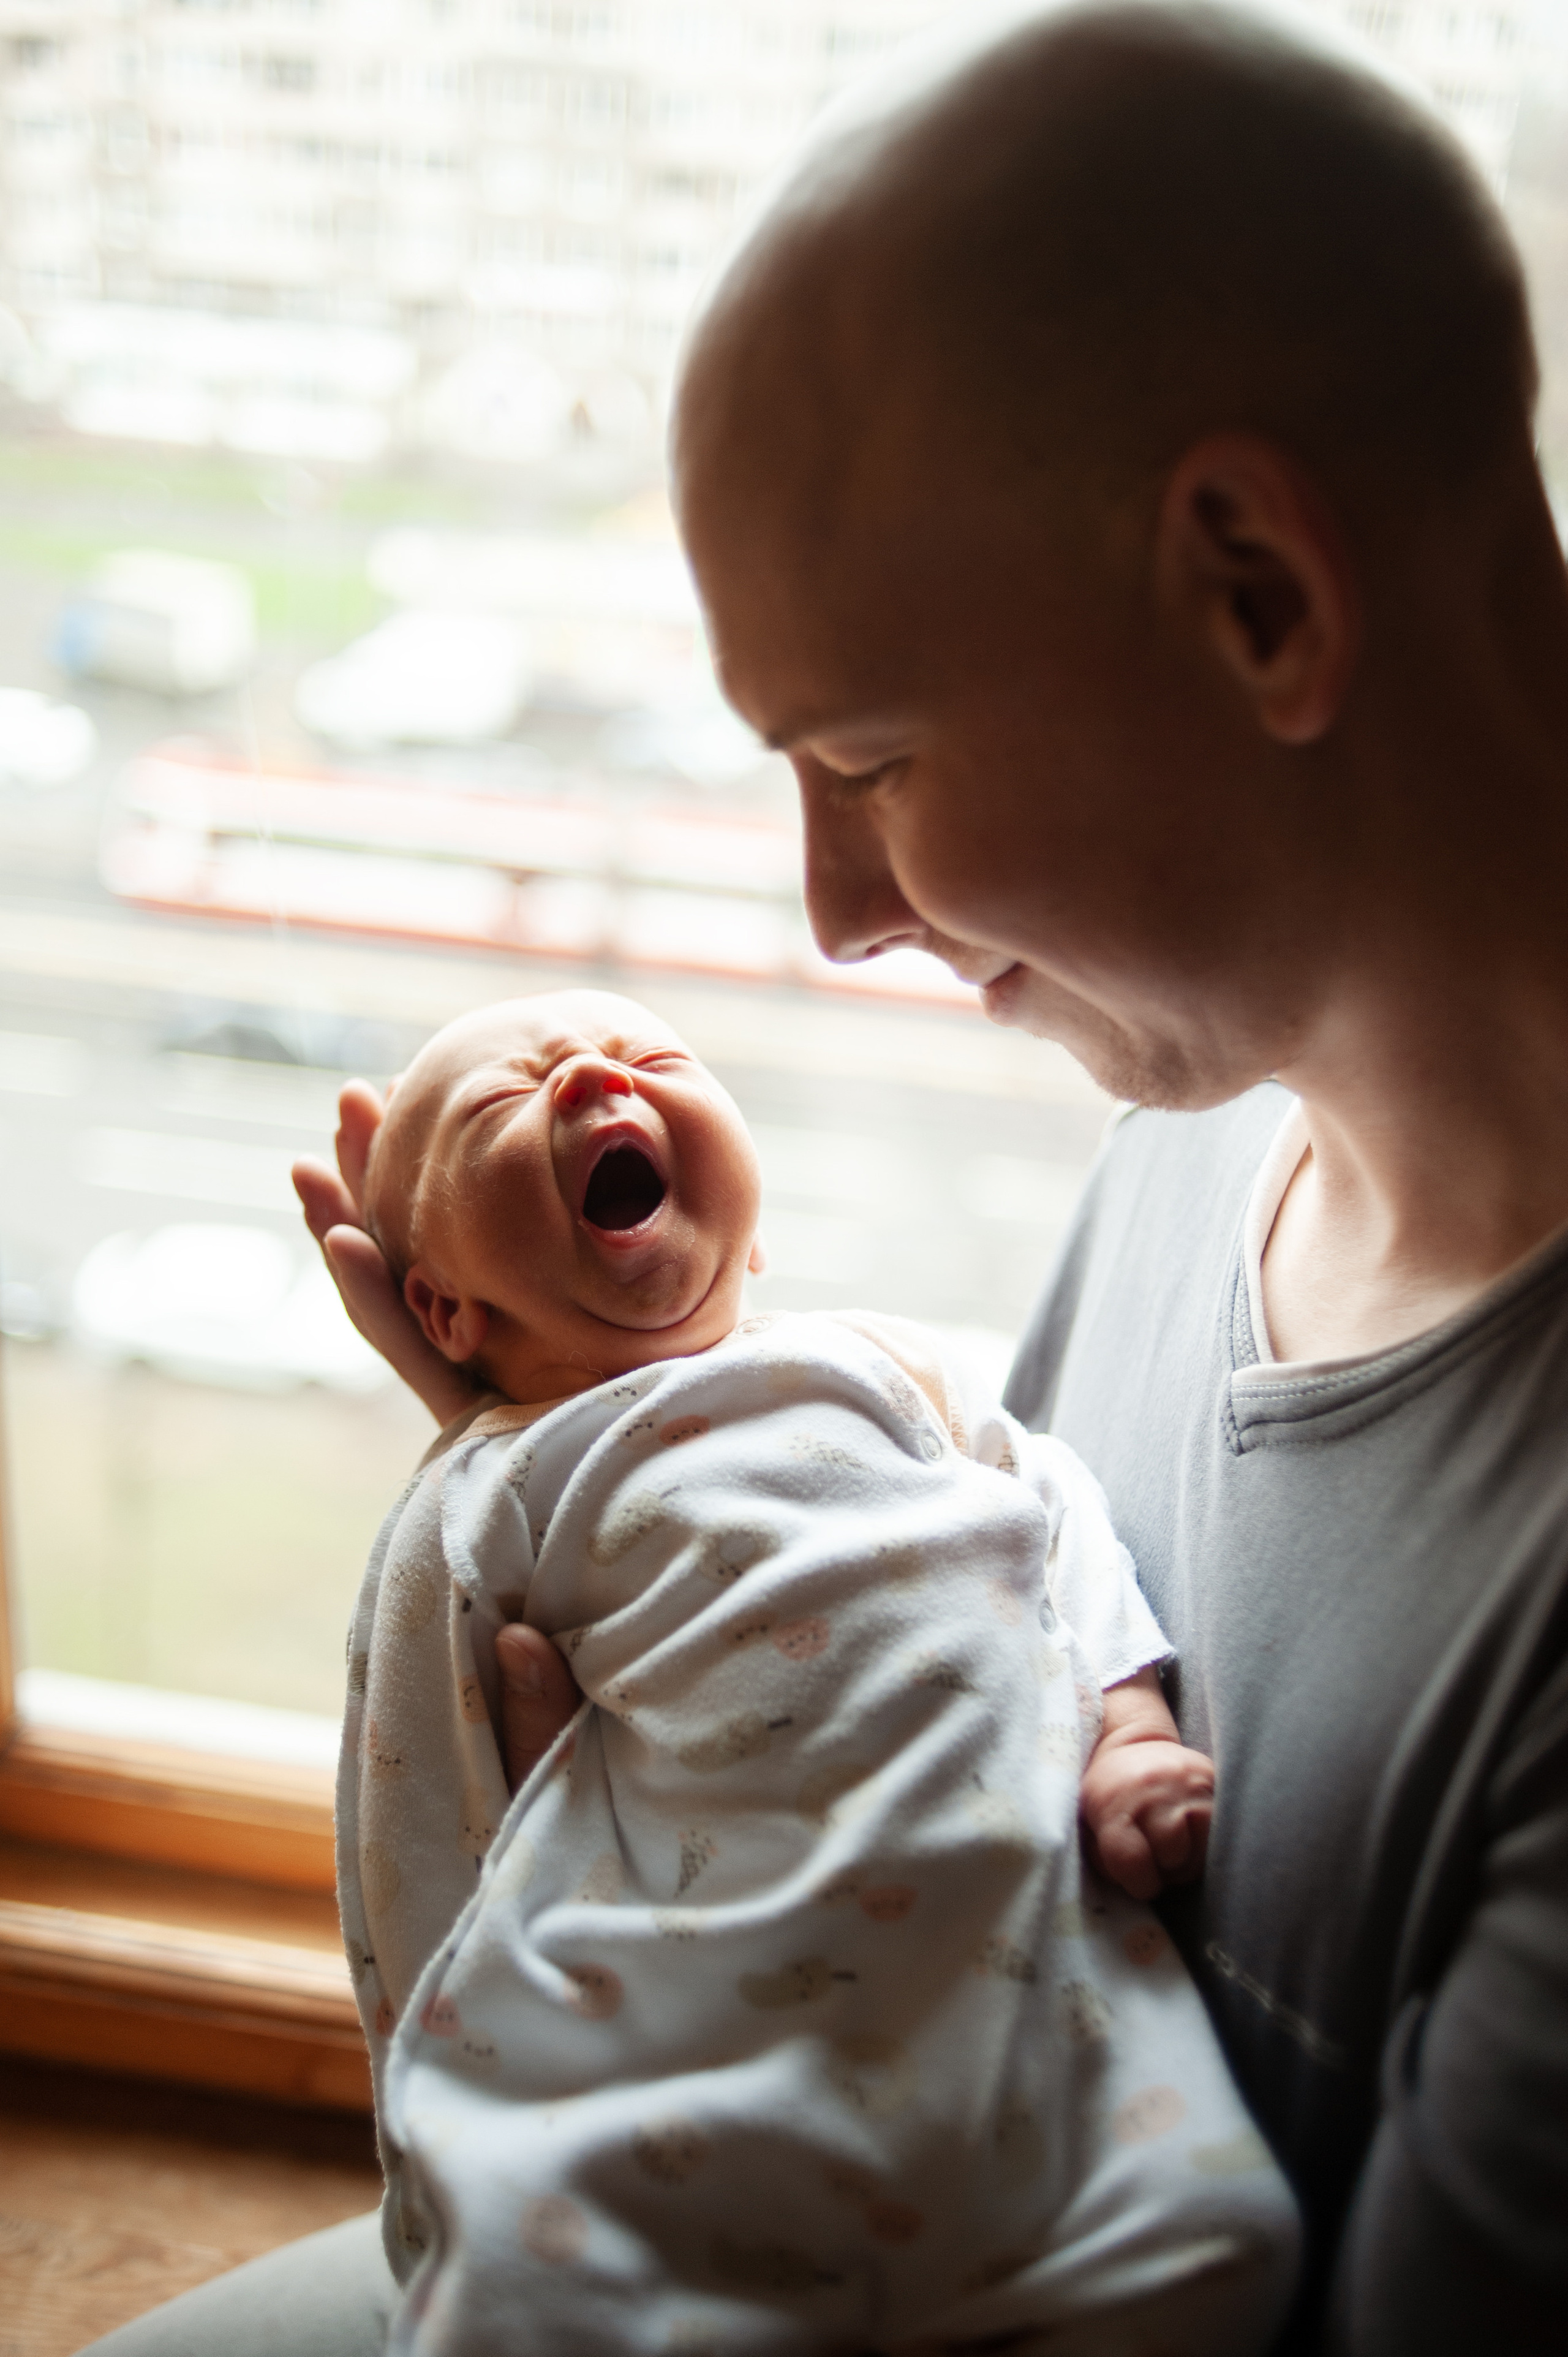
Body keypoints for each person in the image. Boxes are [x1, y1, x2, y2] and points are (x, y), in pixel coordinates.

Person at [94, 0, 1568, 2349]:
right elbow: (965, 1688)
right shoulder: (1204, 1135)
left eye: (866, 757)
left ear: (1257, 593)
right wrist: (585, 1462)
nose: (836, 914)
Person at [336, 987, 1294, 2354]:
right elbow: (410, 1778)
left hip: (1011, 1947)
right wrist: (443, 2056)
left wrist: (1127, 1726)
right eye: (499, 1101)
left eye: (653, 1056)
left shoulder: (879, 1363)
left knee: (1197, 2246)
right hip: (698, 1984)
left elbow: (1055, 1515)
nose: (593, 1075)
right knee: (559, 2269)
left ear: (754, 1224)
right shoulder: (493, 1487)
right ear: (441, 1307)